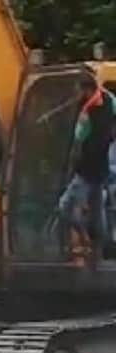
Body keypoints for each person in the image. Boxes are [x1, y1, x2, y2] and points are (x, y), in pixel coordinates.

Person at [60, 78, 116, 259]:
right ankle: (99, 249)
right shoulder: (111, 101)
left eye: (79, 90)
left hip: (86, 170)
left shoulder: (87, 112)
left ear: (86, 90)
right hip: (101, 170)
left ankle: (85, 239)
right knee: (98, 211)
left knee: (65, 207)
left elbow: (78, 138)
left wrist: (74, 163)